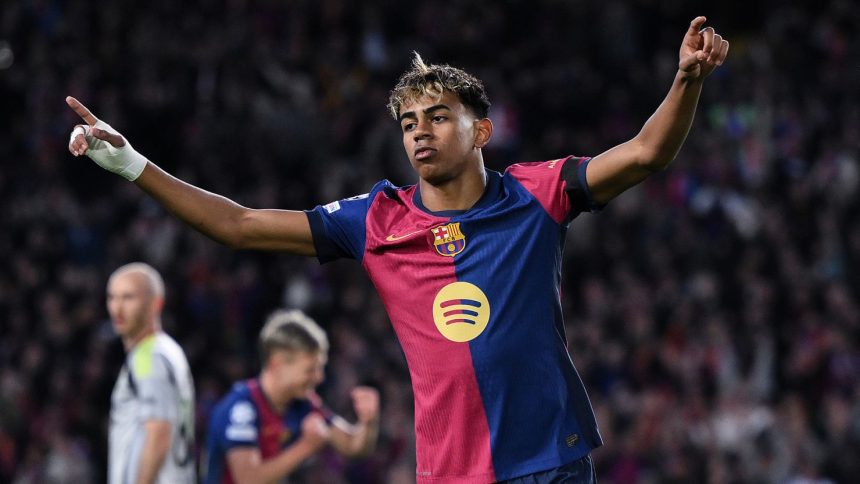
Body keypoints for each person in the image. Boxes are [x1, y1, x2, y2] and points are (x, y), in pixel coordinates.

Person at [67, 16, 729, 483]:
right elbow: (240, 226)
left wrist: (687, 80)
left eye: (439, 117)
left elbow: (644, 154)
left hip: (552, 462)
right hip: (449, 471)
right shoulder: (375, 220)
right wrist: (133, 166)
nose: (420, 133)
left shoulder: (536, 194)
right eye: (409, 122)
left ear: (482, 130)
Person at [203, 309, 380, 483]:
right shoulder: (242, 408)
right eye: (310, 369)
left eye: (320, 368)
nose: (319, 377)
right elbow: (248, 479)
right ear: (277, 365)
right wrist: (305, 446)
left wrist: (368, 422)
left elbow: (352, 446)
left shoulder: (302, 405)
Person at [105, 262, 196, 484]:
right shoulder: (168, 351)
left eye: (128, 298)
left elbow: (159, 431)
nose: (117, 308)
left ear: (156, 304)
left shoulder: (149, 358)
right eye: (112, 297)